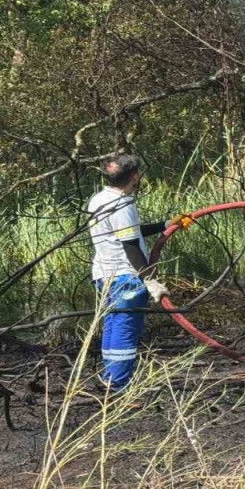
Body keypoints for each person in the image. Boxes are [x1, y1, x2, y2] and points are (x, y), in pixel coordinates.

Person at [88, 154, 194, 392]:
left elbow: (128, 232)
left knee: (114, 326)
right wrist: (148, 279)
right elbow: (130, 245)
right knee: (125, 330)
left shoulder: (101, 199)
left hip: (105, 275)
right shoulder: (122, 204)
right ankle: (119, 387)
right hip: (125, 277)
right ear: (135, 176)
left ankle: (110, 380)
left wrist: (165, 225)